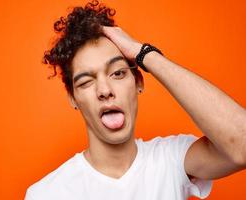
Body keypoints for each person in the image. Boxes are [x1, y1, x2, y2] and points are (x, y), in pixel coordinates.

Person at [25, 1, 246, 199]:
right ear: (73, 98)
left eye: (118, 73)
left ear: (138, 82)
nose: (104, 90)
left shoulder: (171, 160)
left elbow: (242, 144)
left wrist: (145, 54)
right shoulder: (46, 193)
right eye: (86, 82)